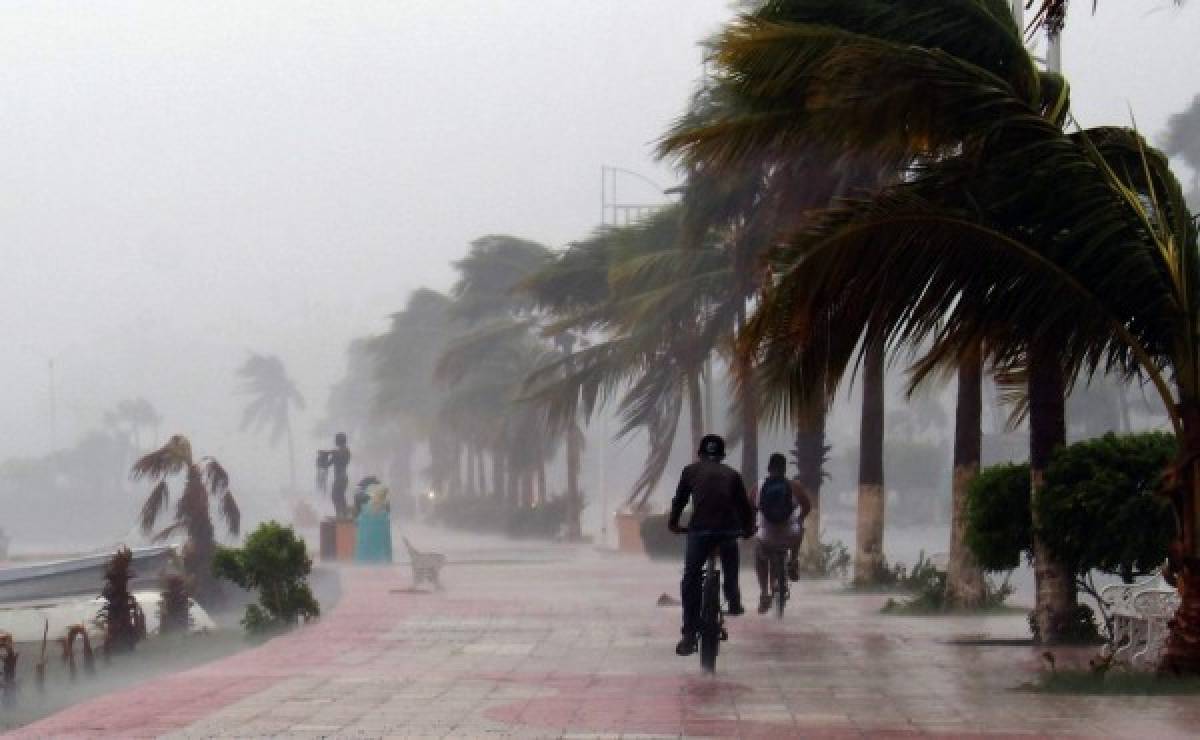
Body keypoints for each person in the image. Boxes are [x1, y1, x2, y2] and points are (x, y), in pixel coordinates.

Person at [668, 433, 755, 657]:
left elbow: (679, 501)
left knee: (691, 576)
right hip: (727, 531)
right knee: (730, 564)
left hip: (700, 531)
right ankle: (734, 600)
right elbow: (744, 508)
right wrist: (747, 530)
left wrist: (674, 524)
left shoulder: (690, 472)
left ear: (700, 454)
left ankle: (688, 635)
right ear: (723, 455)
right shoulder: (732, 475)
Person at [752, 453, 812, 614]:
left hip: (766, 537)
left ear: (768, 468)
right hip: (790, 536)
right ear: (785, 469)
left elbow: (749, 509)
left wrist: (752, 526)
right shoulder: (794, 486)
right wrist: (798, 518)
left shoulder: (758, 486)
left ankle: (764, 593)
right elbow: (807, 506)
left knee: (759, 555)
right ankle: (793, 560)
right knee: (800, 528)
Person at [319, 433, 352, 518]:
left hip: (341, 477)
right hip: (340, 478)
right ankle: (342, 514)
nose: (335, 441)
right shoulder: (337, 453)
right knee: (339, 496)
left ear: (340, 440)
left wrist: (329, 452)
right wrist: (322, 458)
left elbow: (340, 455)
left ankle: (342, 514)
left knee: (336, 496)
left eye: (336, 439)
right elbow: (326, 465)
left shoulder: (345, 451)